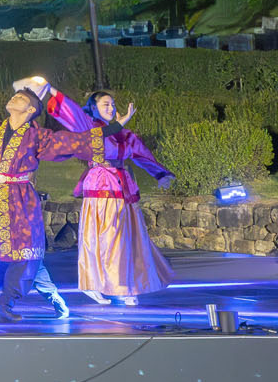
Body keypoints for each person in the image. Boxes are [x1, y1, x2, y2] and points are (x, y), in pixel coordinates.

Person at [0, 45, 106, 322]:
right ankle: (56, 300)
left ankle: (6, 305)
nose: (13, 97)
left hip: (21, 202)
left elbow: (75, 142)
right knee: (29, 259)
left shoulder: (38, 137)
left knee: (26, 256)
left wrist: (114, 129)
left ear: (30, 109)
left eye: (20, 97)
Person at [35, 82, 176, 305]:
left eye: (112, 104)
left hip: (123, 188)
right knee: (106, 238)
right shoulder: (88, 127)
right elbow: (71, 111)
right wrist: (51, 90)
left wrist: (161, 174)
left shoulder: (125, 134)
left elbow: (141, 153)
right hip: (101, 186)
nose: (111, 108)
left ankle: (127, 283)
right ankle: (103, 284)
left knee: (129, 238)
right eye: (105, 104)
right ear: (93, 107)